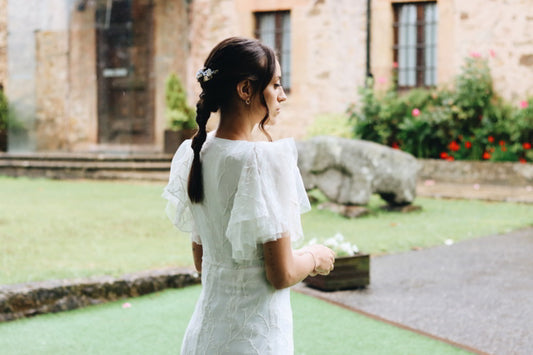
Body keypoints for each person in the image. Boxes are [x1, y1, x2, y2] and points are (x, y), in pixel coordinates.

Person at [163, 37, 335, 355]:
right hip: (254, 341)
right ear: (245, 90)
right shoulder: (263, 160)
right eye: (276, 85)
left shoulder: (192, 153)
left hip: (205, 336)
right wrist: (315, 256)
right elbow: (280, 273)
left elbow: (202, 261)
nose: (282, 96)